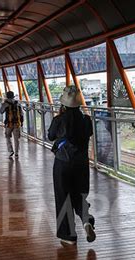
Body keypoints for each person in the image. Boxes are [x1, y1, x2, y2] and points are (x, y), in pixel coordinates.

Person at [48, 86, 95, 246]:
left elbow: (50, 136)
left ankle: (68, 236)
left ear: (64, 104)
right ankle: (87, 220)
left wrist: (59, 119)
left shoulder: (59, 120)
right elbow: (88, 133)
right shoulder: (86, 120)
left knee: (63, 197)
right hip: (81, 164)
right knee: (79, 195)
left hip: (63, 163)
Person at [0, 91, 23, 158]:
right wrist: (22, 122)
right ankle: (16, 153)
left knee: (7, 137)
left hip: (9, 123)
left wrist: (3, 104)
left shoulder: (5, 103)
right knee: (16, 139)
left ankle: (10, 151)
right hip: (17, 123)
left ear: (7, 96)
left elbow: (1, 111)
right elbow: (21, 113)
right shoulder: (17, 103)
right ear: (13, 96)